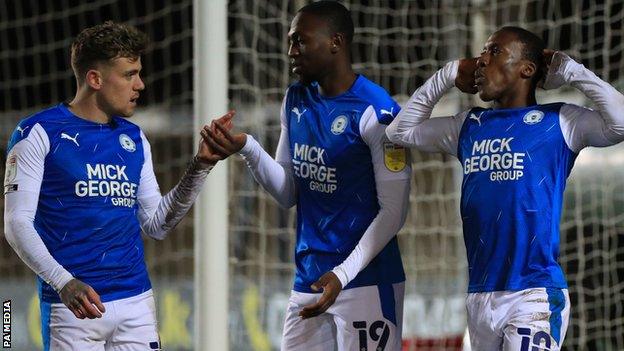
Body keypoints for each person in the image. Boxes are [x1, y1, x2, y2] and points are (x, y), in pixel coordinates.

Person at [386, 26, 624, 351]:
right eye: (482, 53)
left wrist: (569, 69)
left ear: (526, 69)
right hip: (480, 295)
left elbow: (620, 122)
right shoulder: (467, 125)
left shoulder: (561, 121)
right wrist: (447, 74)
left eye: (494, 51)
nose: (482, 61)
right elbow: (400, 132)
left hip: (533, 294)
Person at [3, 21, 229, 350]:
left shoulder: (134, 138)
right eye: (129, 74)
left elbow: (157, 224)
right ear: (95, 79)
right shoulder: (37, 133)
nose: (140, 84)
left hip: (136, 301)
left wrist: (201, 166)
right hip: (73, 308)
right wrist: (64, 282)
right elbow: (16, 223)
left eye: (139, 73)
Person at [202, 2, 410, 350]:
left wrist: (343, 274)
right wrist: (248, 148)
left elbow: (394, 212)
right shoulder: (295, 98)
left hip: (366, 283)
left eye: (300, 41)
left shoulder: (378, 111)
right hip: (310, 281)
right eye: (289, 41)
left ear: (335, 42)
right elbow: (288, 193)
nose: (290, 51)